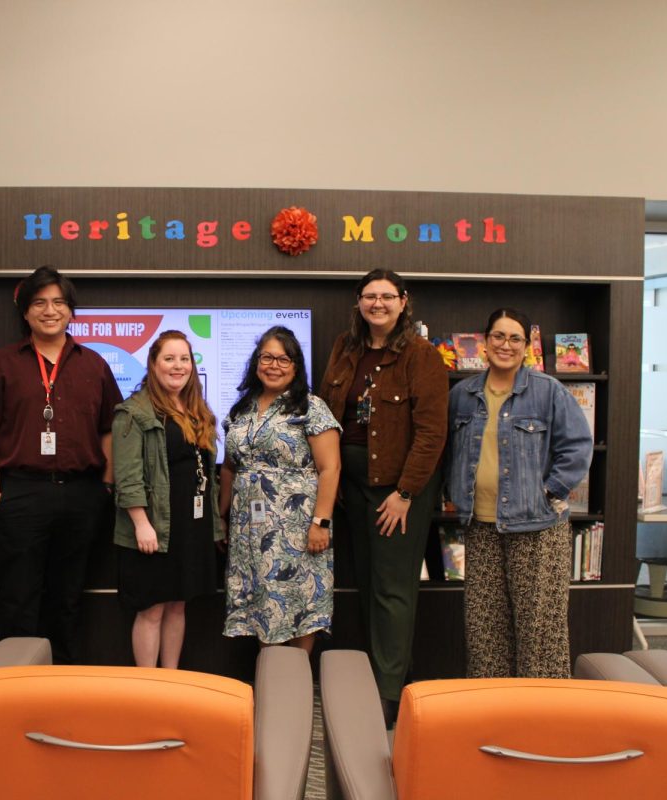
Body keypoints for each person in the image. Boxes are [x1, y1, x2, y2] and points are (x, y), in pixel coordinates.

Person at [0, 266, 122, 664]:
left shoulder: (94, 364)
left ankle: (61, 678)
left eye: (58, 302)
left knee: (68, 596)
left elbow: (110, 430)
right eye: (39, 303)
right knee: (18, 597)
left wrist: (105, 484)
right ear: (26, 312)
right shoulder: (3, 363)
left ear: (70, 311)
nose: (49, 310)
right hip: (20, 493)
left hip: (82, 494)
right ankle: (15, 683)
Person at [319, 269, 448, 713]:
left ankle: (388, 696)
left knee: (393, 588)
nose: (378, 303)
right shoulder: (345, 348)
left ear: (403, 301)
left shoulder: (421, 355)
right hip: (350, 485)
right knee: (369, 582)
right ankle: (391, 673)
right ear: (358, 302)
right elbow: (326, 414)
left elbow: (432, 433)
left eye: (387, 296)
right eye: (370, 296)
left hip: (397, 491)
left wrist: (406, 492)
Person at [444, 307, 592, 678]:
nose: (505, 345)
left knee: (539, 631)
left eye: (514, 338)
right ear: (485, 341)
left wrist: (548, 491)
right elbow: (448, 451)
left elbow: (577, 447)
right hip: (480, 526)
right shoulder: (462, 394)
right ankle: (495, 712)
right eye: (498, 336)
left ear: (526, 346)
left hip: (537, 527)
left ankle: (543, 719)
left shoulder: (548, 392)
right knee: (485, 628)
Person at [220, 326, 341, 653]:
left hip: (297, 530)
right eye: (267, 357)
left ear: (296, 366)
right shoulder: (241, 409)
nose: (274, 365)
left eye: (283, 359)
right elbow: (230, 467)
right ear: (256, 362)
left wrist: (321, 523)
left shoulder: (311, 408)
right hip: (249, 532)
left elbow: (330, 468)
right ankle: (274, 689)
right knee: (263, 607)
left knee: (298, 604)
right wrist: (223, 519)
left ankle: (297, 690)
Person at [112, 331, 221, 668]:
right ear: (154, 364)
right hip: (155, 529)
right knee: (153, 609)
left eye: (184, 359)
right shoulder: (133, 412)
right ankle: (149, 689)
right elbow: (128, 478)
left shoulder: (194, 410)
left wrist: (215, 524)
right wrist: (142, 525)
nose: (178, 366)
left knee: (178, 605)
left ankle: (171, 681)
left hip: (191, 526)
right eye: (169, 359)